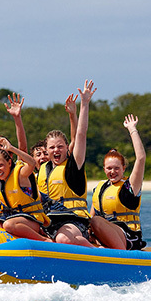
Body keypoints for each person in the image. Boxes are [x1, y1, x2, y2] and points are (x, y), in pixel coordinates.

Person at [37, 79, 103, 247]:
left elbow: (80, 134)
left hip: (74, 221)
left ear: (68, 147)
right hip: (48, 220)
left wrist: (85, 104)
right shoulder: (44, 168)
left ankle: (98, 255)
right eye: (52, 147)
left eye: (60, 146)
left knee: (63, 239)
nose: (56, 150)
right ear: (46, 149)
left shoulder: (74, 166)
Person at [89, 114, 147, 250]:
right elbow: (91, 217)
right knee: (89, 222)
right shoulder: (100, 188)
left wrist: (132, 129)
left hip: (129, 236)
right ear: (104, 169)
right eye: (109, 168)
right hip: (105, 234)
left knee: (96, 221)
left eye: (117, 168)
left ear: (123, 169)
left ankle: (121, 257)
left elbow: (141, 158)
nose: (113, 172)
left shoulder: (130, 186)